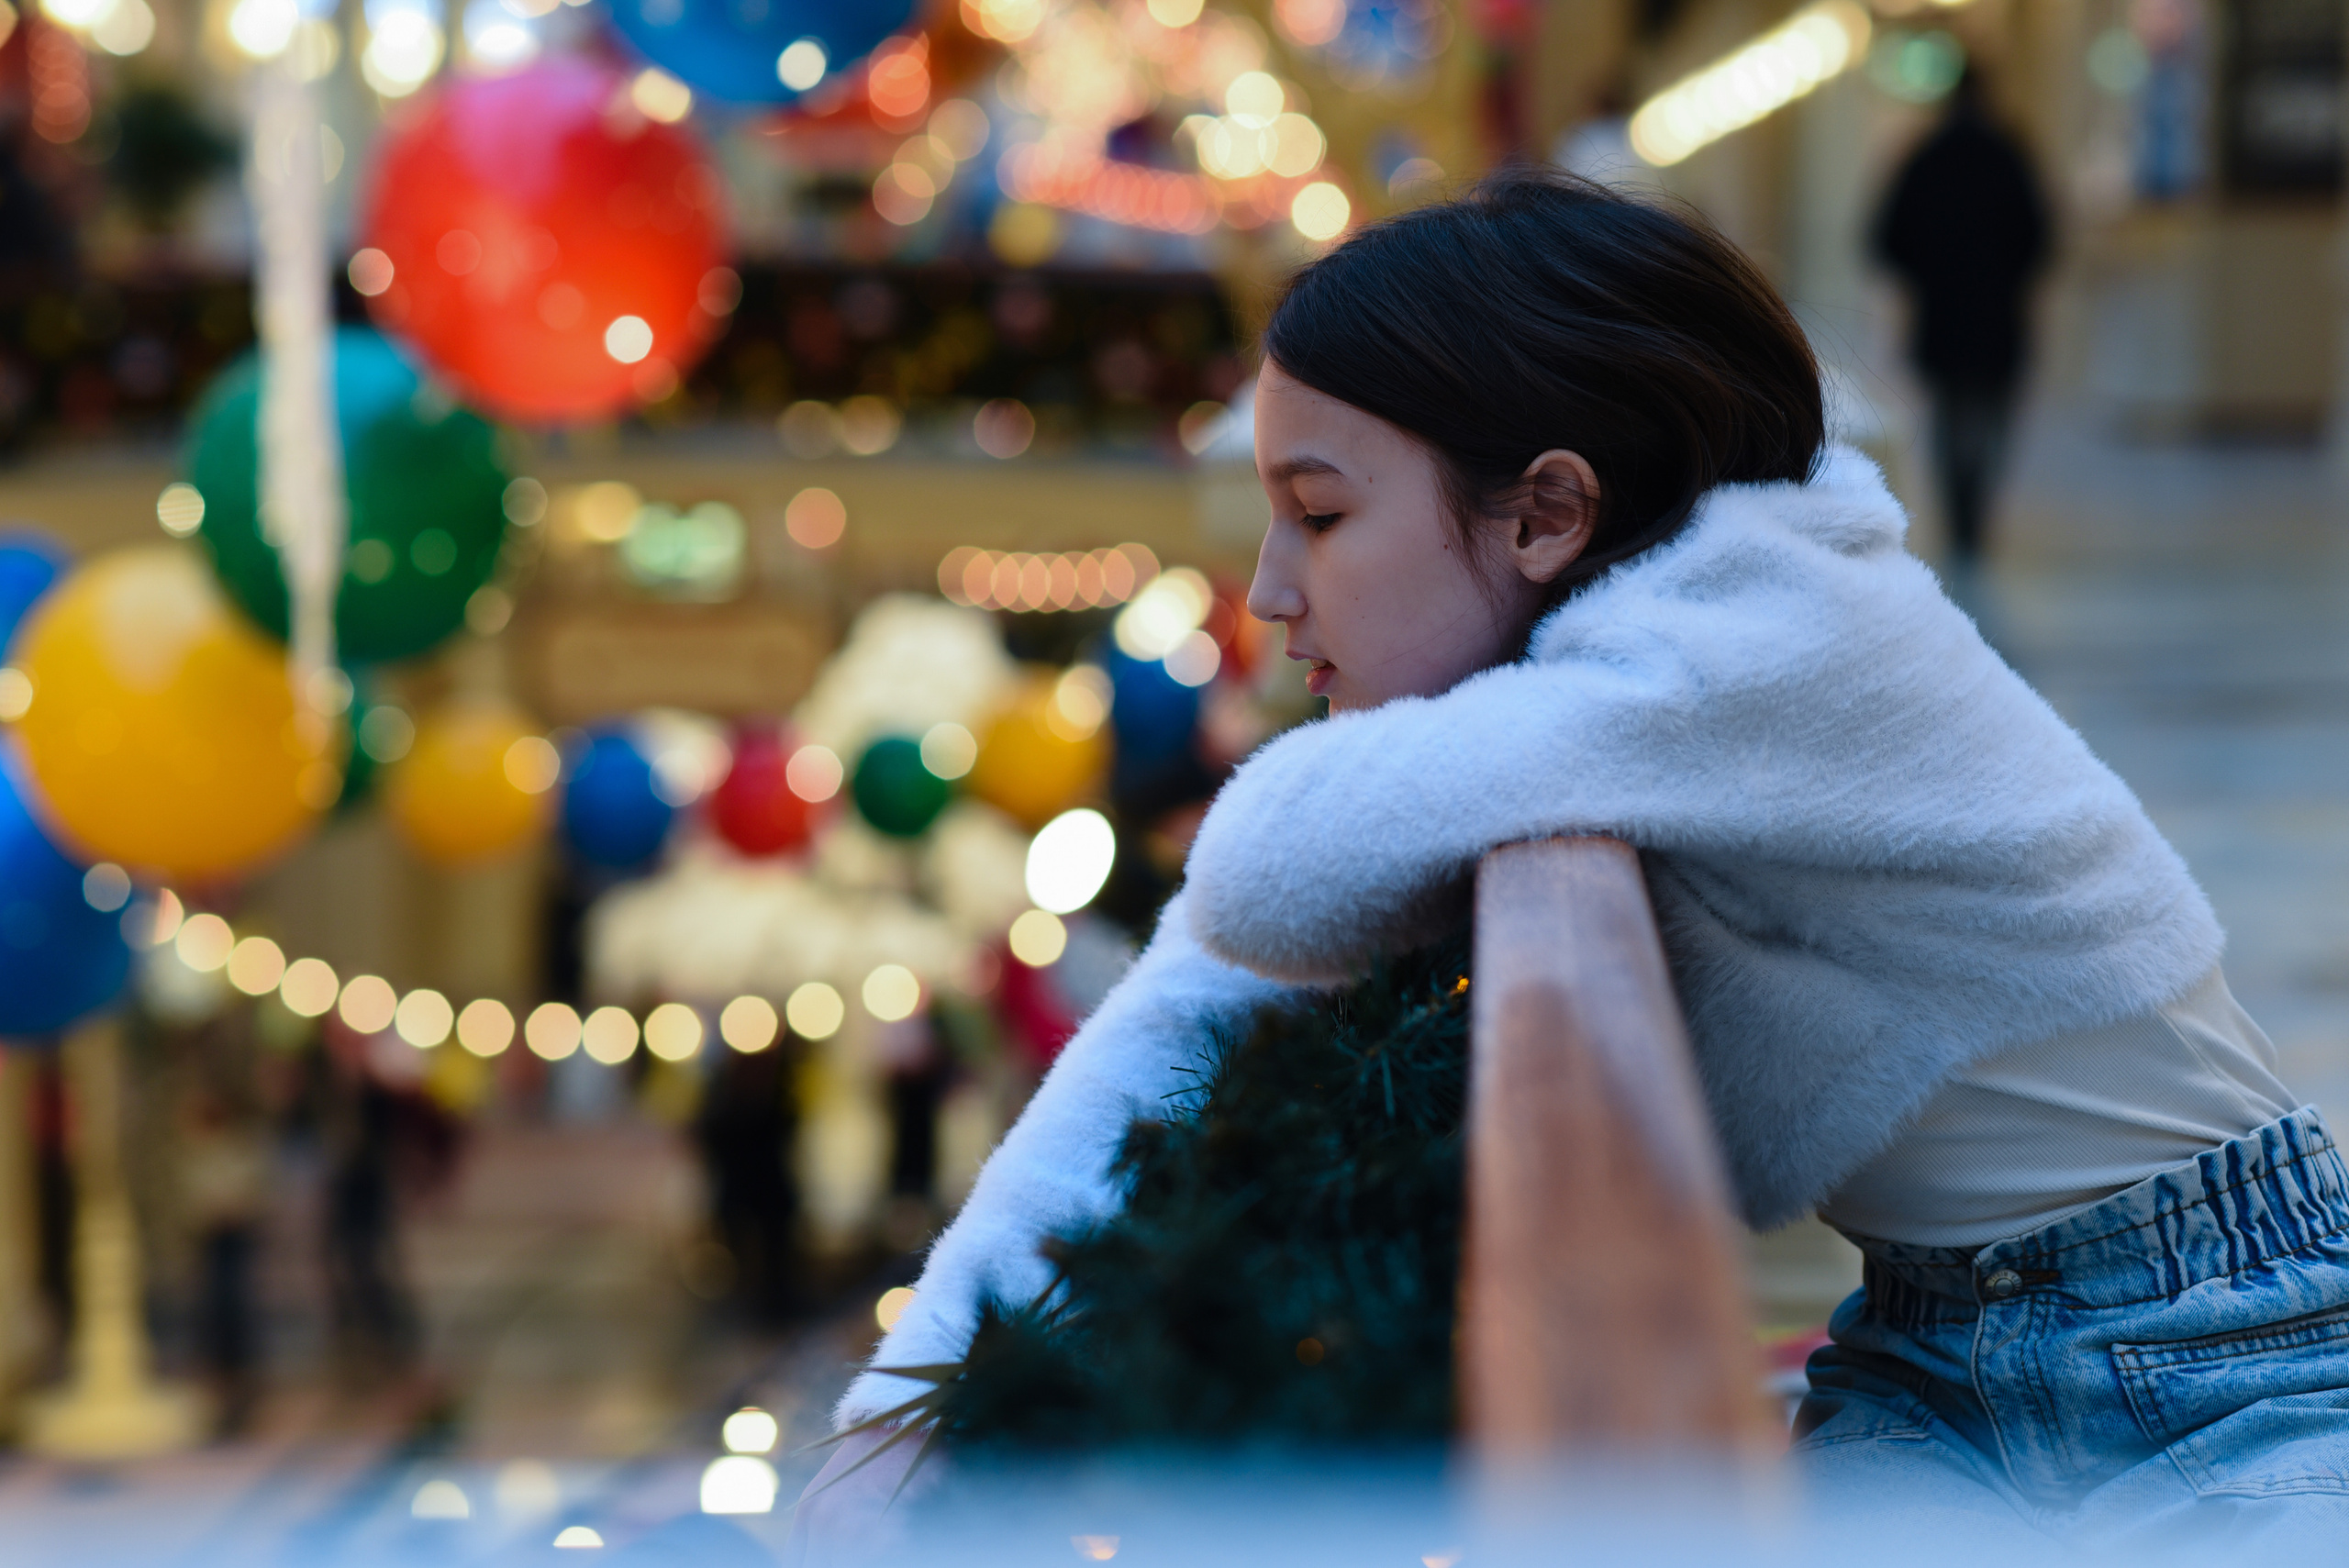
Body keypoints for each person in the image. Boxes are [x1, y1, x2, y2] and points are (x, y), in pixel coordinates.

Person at [799, 172, 2347, 1551]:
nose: (1269, 589)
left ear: (1548, 512)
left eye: (1318, 515)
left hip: (2235, 1343)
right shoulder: (1585, 701)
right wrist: (910, 1395)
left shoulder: (1762, 625)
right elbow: (1203, 992)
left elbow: (1265, 866)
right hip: (1935, 1349)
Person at [1873, 67, 2051, 563]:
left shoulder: (1926, 158)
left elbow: (1885, 239)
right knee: (1993, 416)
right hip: (1998, 317)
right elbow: (2040, 237)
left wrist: (1929, 272)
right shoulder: (2009, 156)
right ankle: (1977, 513)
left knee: (1949, 417)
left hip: (1942, 316)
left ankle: (1959, 515)